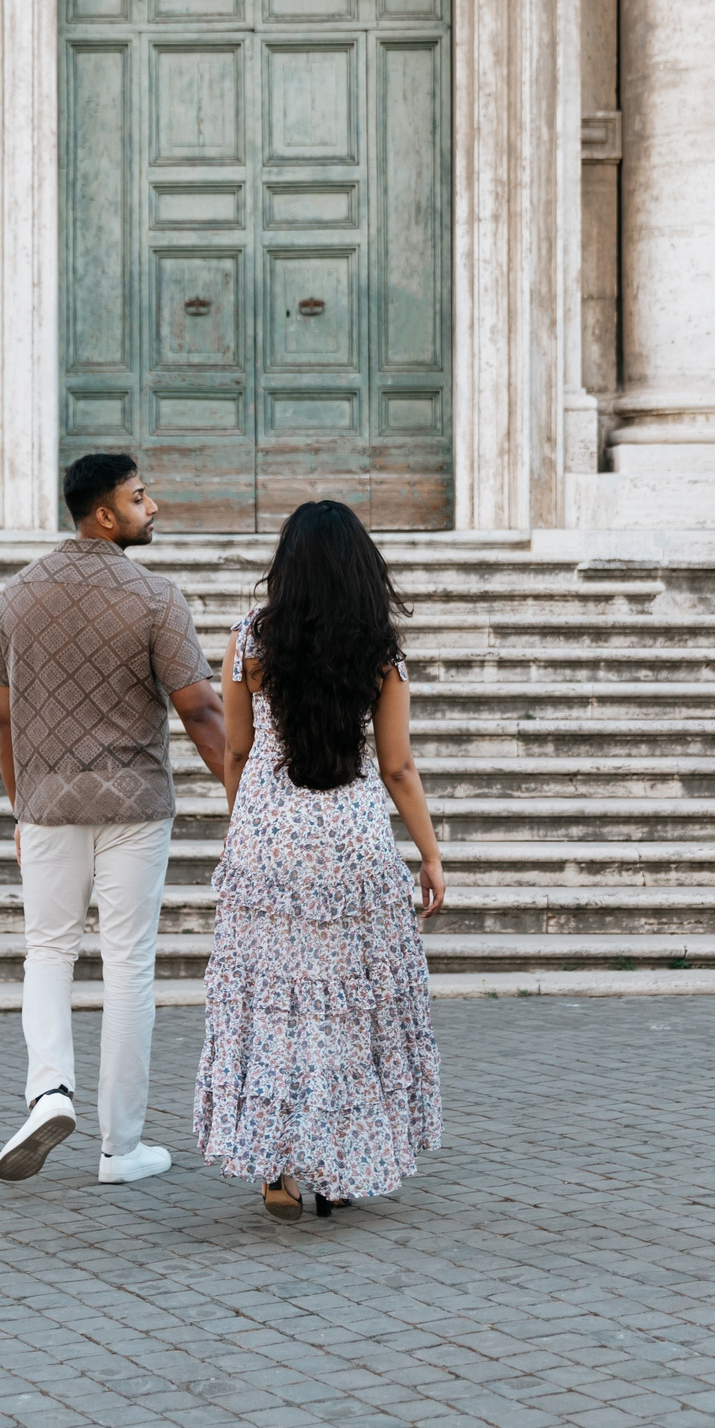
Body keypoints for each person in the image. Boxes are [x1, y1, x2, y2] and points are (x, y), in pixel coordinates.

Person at [192, 499, 445, 1222]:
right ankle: (340, 1160)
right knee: (347, 1001)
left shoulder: (248, 640)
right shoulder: (381, 653)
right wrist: (429, 854)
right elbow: (397, 767)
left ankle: (276, 1167)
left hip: (269, 833)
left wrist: (245, 829)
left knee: (274, 997)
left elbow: (237, 751)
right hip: (353, 837)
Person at [0, 454, 230, 1185]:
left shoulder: (15, 599)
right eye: (139, 496)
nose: (152, 506)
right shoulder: (156, 597)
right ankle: (121, 1148)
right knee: (128, 964)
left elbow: (3, 720)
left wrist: (19, 806)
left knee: (48, 952)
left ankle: (48, 1090)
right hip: (134, 804)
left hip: (49, 803)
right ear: (104, 514)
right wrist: (243, 800)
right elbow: (200, 709)